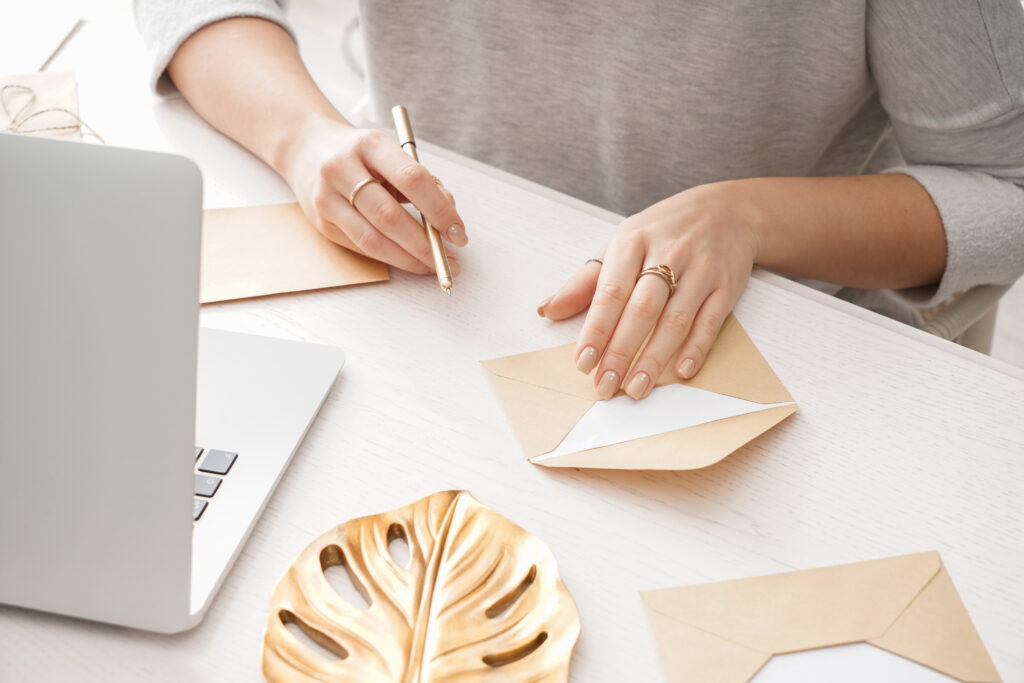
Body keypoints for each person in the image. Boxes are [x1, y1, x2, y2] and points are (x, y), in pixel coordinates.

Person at [136, 1, 1024, 401]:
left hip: (744, 365)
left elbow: (1005, 189)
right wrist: (305, 137)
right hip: (417, 315)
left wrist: (750, 219)